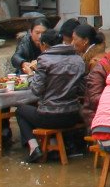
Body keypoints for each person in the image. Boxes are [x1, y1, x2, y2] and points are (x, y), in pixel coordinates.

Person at [16, 28, 85, 164]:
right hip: (74, 115)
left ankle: (34, 148)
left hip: (50, 116)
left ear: (44, 45)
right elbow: (82, 89)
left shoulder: (44, 60)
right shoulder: (78, 59)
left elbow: (36, 90)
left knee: (20, 110)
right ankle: (53, 146)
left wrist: (31, 74)